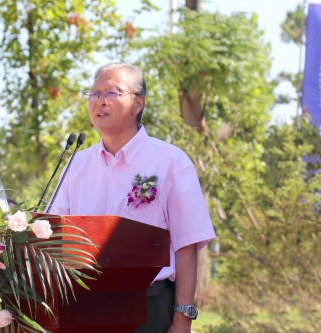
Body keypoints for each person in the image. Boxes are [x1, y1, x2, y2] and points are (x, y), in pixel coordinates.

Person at [49, 63, 216, 333]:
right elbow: (51, 231)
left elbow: (186, 245)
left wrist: (182, 320)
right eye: (94, 94)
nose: (100, 102)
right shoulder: (76, 164)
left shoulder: (171, 162)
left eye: (112, 93)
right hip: (82, 304)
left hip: (149, 306)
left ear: (138, 103)